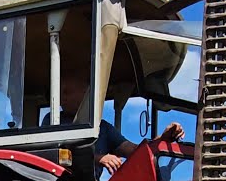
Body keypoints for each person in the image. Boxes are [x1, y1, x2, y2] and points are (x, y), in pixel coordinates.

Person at [55, 73, 185, 173]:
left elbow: (135, 151)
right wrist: (99, 158)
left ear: (87, 94)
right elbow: (57, 156)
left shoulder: (103, 128)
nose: (62, 97)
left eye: (67, 92)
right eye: (61, 93)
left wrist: (163, 139)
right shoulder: (54, 122)